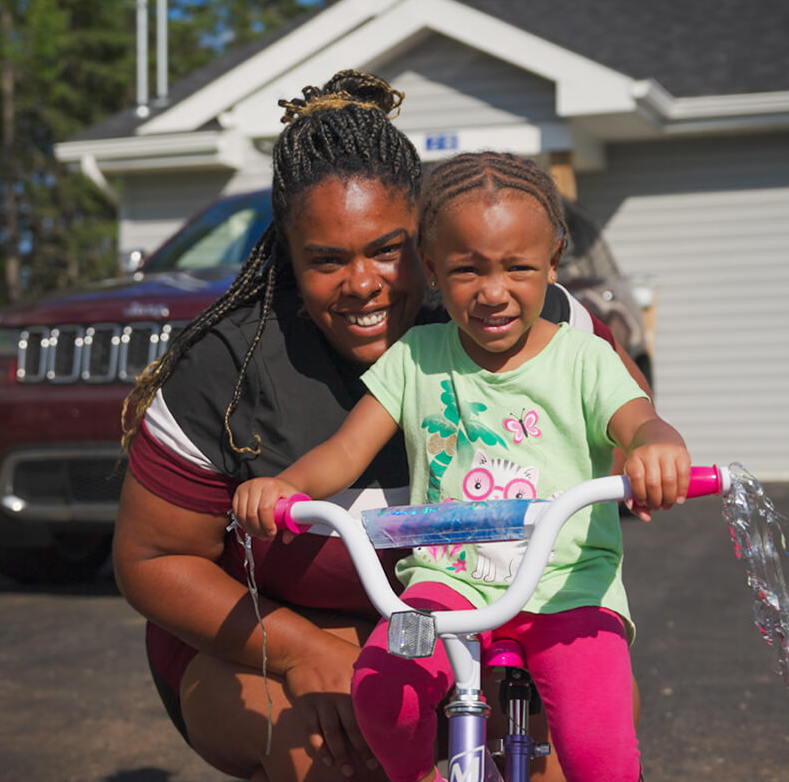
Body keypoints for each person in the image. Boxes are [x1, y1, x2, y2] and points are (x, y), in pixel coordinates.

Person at [114, 72, 650, 782]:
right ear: (289, 256)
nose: (363, 282)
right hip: (276, 632)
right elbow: (152, 560)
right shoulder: (229, 368)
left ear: (427, 242)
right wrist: (305, 651)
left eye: (387, 249)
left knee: (548, 749)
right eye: (327, 259)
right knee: (335, 752)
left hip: (478, 612)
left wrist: (637, 461)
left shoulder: (525, 315)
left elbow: (629, 427)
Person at [233, 152, 690, 782]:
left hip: (567, 586)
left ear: (553, 263)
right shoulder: (417, 357)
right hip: (444, 584)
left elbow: (639, 421)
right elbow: (344, 451)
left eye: (518, 269)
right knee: (382, 684)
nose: (493, 292)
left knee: (599, 753)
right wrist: (284, 487)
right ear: (431, 268)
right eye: (467, 270)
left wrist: (656, 448)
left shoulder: (584, 359)